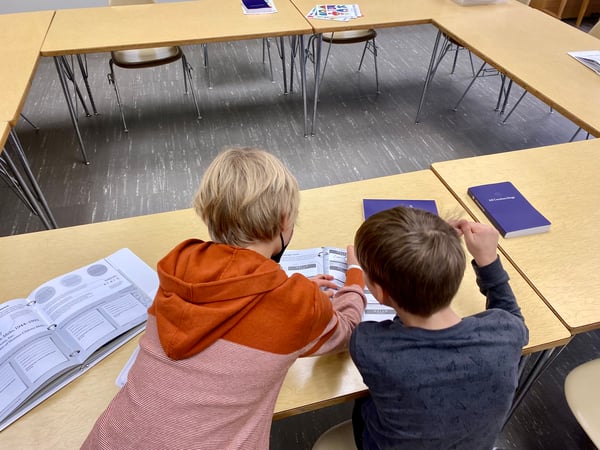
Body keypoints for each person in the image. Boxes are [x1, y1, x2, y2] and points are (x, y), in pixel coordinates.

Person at [81, 147, 366, 450]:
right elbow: (345, 330)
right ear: (285, 220)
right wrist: (355, 273)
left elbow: (227, 295)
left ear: (208, 212)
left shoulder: (178, 270)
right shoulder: (297, 305)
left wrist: (279, 291)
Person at [349, 206, 529, 450]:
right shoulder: (506, 333)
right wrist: (488, 259)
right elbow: (513, 316)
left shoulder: (367, 343)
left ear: (379, 292)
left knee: (363, 404)